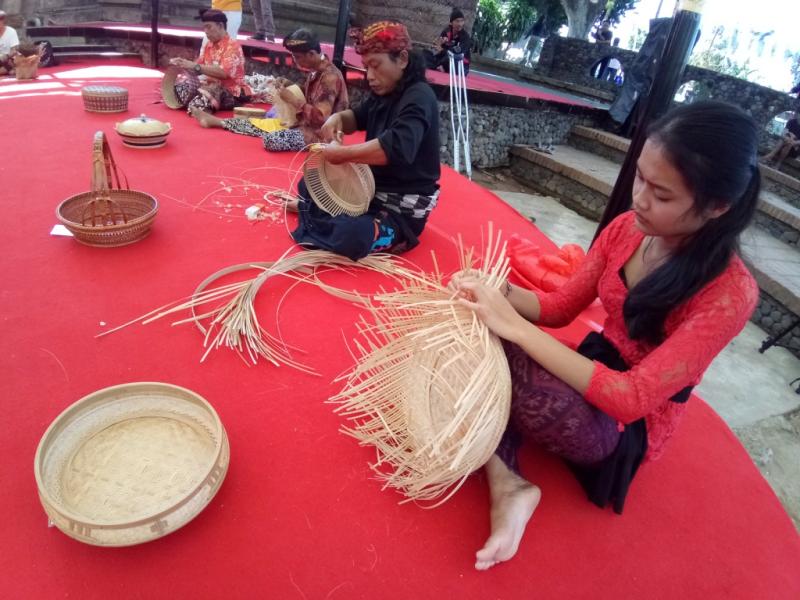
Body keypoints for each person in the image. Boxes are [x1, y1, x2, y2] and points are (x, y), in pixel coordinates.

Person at [453, 101, 761, 570]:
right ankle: (507, 481)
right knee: (479, 327)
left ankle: (504, 469)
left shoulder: (730, 293)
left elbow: (631, 397)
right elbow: (557, 309)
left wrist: (511, 324)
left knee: (511, 361)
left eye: (661, 193)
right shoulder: (625, 230)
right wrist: (495, 288)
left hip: (626, 425)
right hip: (592, 366)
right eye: (639, 177)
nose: (639, 198)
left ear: (717, 207)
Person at [287, 21, 441, 260]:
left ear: (401, 59)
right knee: (307, 186)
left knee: (353, 234)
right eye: (366, 67)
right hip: (368, 193)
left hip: (399, 208)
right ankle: (323, 218)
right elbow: (356, 117)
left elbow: (396, 148)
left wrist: (342, 155)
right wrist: (337, 118)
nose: (369, 76)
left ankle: (324, 219)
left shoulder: (419, 97)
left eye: (375, 66)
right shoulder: (386, 91)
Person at [190, 28, 348, 153]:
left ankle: (219, 122)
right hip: (303, 123)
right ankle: (218, 122)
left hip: (321, 136)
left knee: (271, 139)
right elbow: (311, 95)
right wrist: (289, 84)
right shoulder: (317, 69)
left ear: (312, 54)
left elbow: (321, 118)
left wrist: (292, 99)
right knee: (266, 122)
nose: (294, 60)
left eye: (297, 57)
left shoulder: (330, 77)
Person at [170, 9, 251, 114]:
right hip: (211, 87)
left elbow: (223, 73)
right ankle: (200, 103)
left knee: (207, 93)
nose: (206, 31)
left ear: (220, 26)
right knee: (179, 87)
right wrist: (182, 63)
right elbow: (197, 67)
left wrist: (195, 66)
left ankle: (201, 105)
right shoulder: (209, 45)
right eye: (204, 27)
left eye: (209, 27)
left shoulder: (233, 46)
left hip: (232, 92)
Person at [427, 8, 472, 75]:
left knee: (449, 59)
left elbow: (458, 54)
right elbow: (437, 49)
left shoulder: (465, 37)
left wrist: (442, 50)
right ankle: (440, 67)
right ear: (451, 23)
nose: (460, 24)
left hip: (460, 65)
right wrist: (436, 46)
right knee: (426, 54)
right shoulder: (446, 32)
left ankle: (439, 67)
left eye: (462, 21)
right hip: (444, 59)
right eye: (457, 21)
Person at [0, 10, 20, 76]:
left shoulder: (11, 31)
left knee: (10, 62)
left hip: (8, 60)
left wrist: (6, 56)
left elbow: (15, 50)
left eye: (1, 19)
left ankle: (9, 69)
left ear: (3, 21)